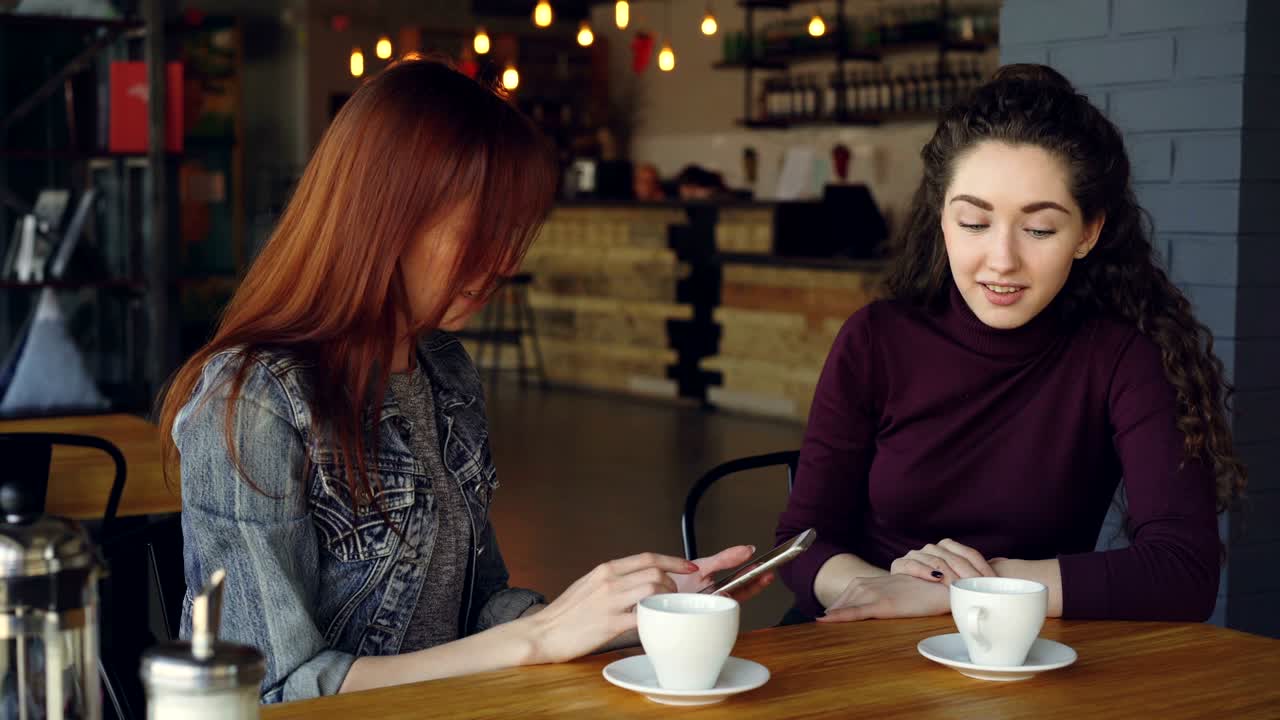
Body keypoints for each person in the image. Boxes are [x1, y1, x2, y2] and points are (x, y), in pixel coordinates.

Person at [158, 59, 767, 704]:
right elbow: (269, 692)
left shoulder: (443, 370)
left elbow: (475, 607)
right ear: (386, 214)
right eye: (481, 230)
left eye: (512, 233)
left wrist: (630, 618)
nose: (502, 261)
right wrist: (539, 638)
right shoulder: (254, 403)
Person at [775, 64, 1246, 625]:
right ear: (942, 218)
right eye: (974, 223)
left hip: (1021, 649)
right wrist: (888, 591)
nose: (1002, 260)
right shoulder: (876, 338)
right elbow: (801, 541)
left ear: (1087, 233)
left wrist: (970, 592)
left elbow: (1183, 571)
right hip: (863, 634)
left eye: (1039, 230)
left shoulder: (1125, 358)